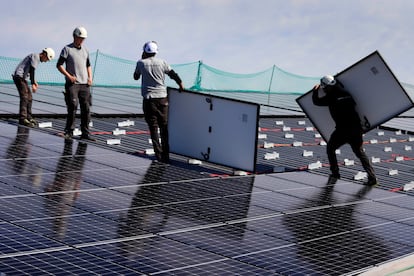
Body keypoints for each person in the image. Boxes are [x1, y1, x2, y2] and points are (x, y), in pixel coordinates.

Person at [312, 75, 378, 185]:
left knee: (330, 148)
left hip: (343, 130)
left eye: (324, 87)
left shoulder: (331, 97)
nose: (324, 89)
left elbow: (317, 102)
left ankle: (335, 173)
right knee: (360, 153)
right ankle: (372, 178)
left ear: (328, 86)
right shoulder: (346, 94)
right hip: (357, 128)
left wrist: (315, 91)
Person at [133, 41, 184, 163]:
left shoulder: (141, 63)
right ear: (156, 52)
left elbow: (135, 77)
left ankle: (159, 155)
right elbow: (173, 74)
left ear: (145, 51)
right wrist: (180, 84)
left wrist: (142, 59)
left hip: (149, 100)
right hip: (162, 99)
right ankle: (166, 155)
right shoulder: (162, 62)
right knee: (164, 127)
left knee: (153, 127)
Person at [56, 26, 95, 141]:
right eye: (80, 38)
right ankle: (69, 132)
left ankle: (85, 133)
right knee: (72, 106)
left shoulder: (86, 50)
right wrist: (69, 76)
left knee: (86, 108)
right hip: (72, 84)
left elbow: (88, 65)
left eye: (83, 38)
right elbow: (59, 65)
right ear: (75, 37)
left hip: (84, 84)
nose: (82, 40)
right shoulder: (67, 49)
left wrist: (90, 78)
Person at [12, 48, 55, 127]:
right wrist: (33, 84)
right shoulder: (36, 56)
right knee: (25, 97)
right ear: (44, 54)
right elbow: (32, 70)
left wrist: (34, 81)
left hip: (22, 78)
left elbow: (30, 71)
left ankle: (29, 117)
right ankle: (23, 118)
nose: (46, 61)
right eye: (47, 59)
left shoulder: (36, 59)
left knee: (29, 97)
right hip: (19, 77)